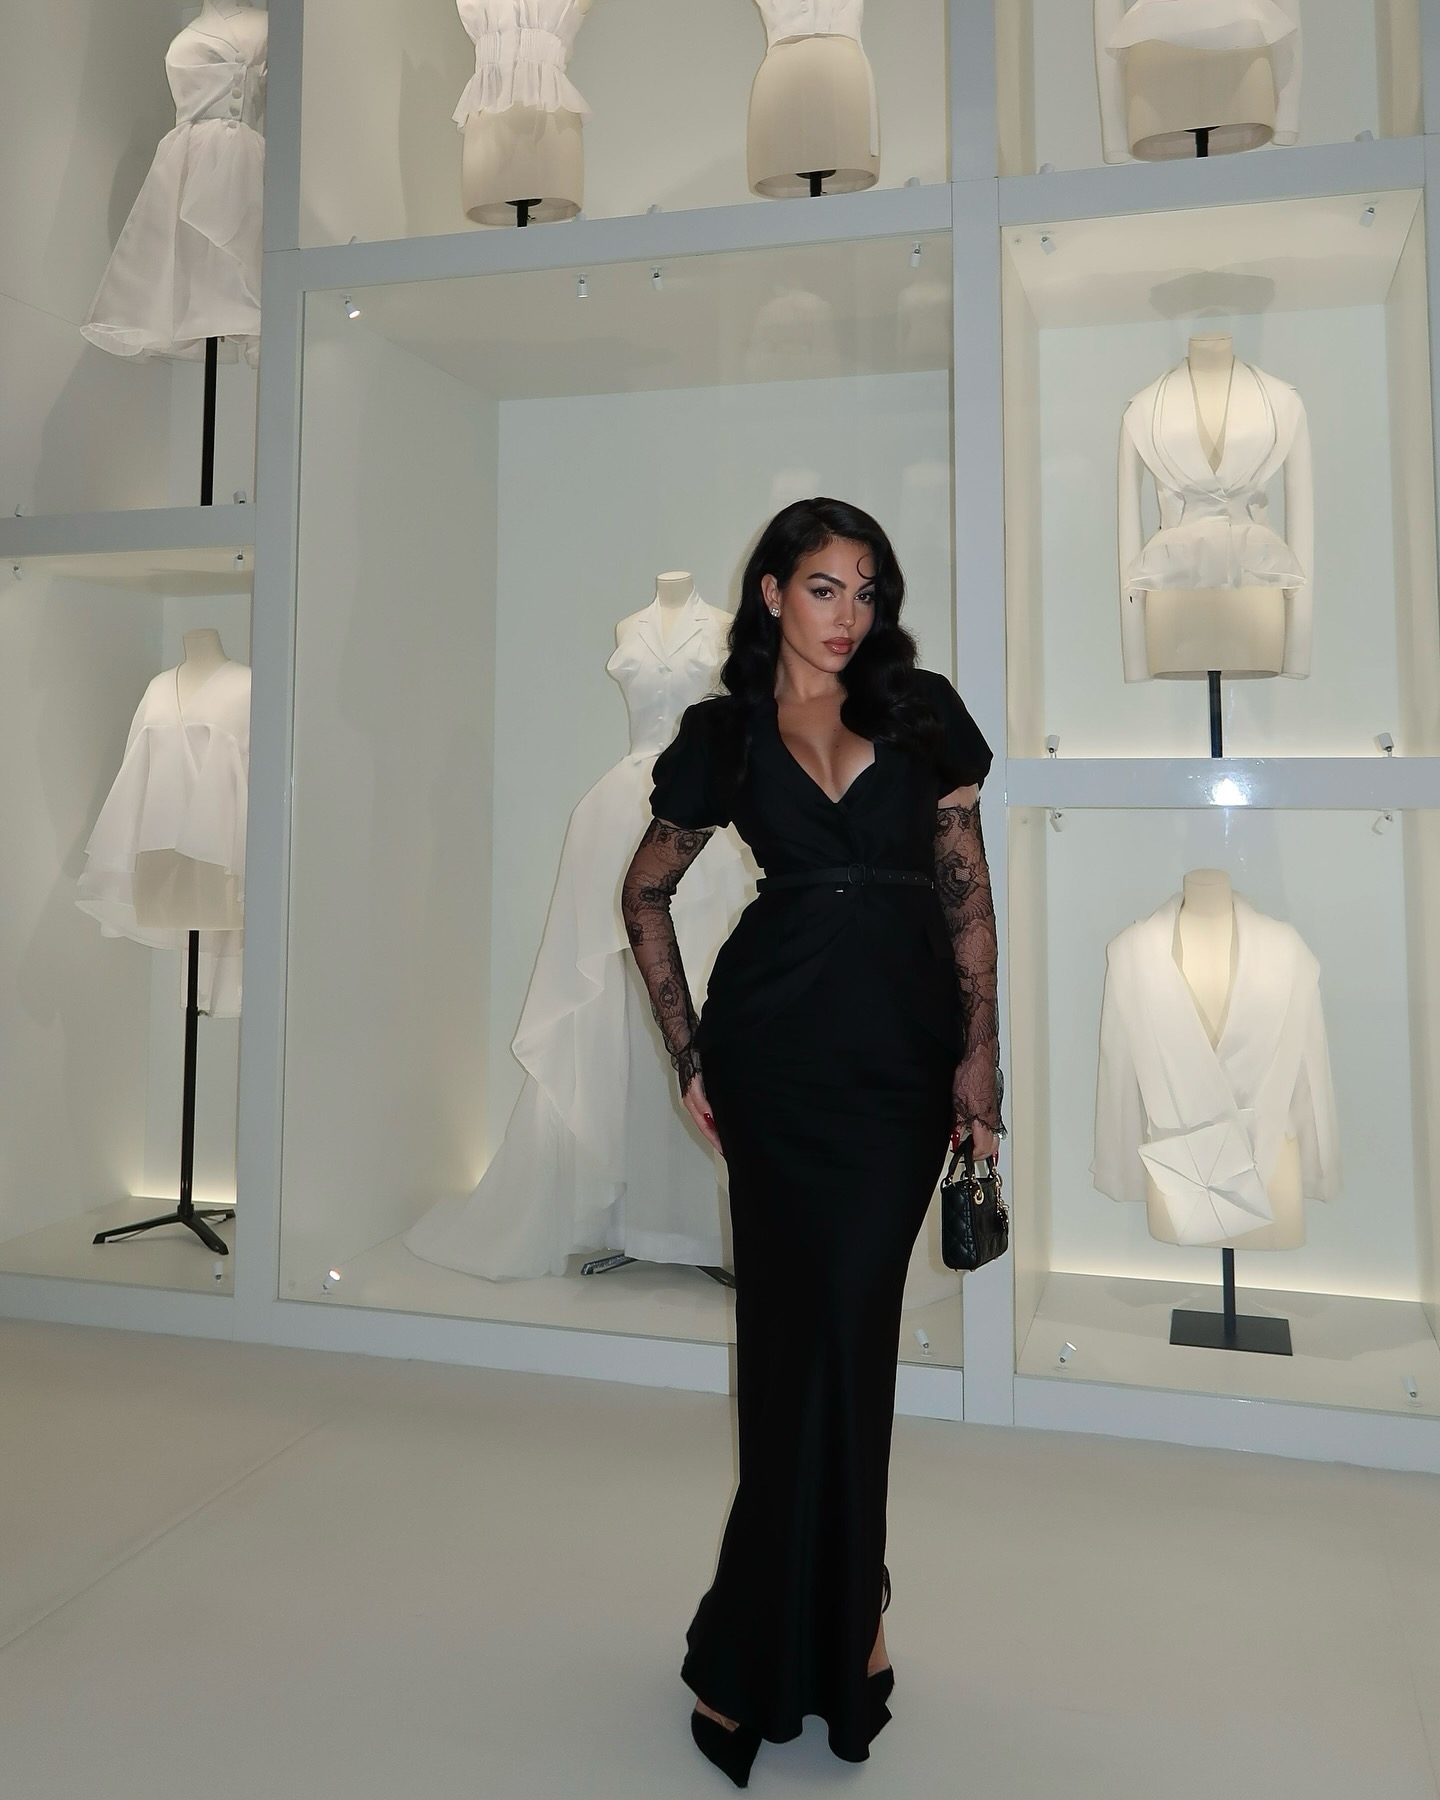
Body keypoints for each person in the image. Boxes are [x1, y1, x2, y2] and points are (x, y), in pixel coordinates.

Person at [620, 497, 1004, 1785]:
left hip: (897, 1068)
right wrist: (691, 1053)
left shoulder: (920, 710)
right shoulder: (724, 736)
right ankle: (788, 1635)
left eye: (868, 591)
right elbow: (645, 891)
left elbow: (965, 895)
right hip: (774, 1060)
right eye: (826, 588)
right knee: (789, 1353)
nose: (850, 616)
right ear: (774, 592)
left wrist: (978, 1060)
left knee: (853, 1341)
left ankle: (843, 1607)